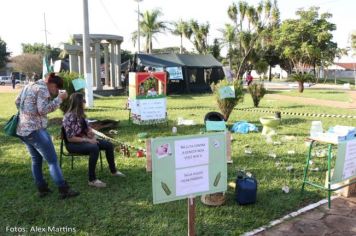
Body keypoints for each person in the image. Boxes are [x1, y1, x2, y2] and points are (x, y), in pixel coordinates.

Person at [16, 72, 79, 199]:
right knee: (52, 161)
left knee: (36, 159)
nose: (56, 92)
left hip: (23, 129)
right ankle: (64, 190)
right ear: (52, 84)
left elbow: (17, 101)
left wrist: (26, 114)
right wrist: (59, 99)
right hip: (35, 130)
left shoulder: (29, 85)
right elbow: (43, 110)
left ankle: (42, 188)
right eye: (56, 88)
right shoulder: (43, 89)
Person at [62, 93, 125, 188]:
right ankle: (92, 179)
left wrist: (91, 135)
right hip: (73, 144)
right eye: (83, 100)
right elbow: (70, 138)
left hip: (84, 140)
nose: (85, 102)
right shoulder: (68, 117)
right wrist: (87, 140)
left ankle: (113, 171)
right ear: (78, 103)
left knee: (108, 145)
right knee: (94, 148)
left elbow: (88, 130)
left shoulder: (82, 116)